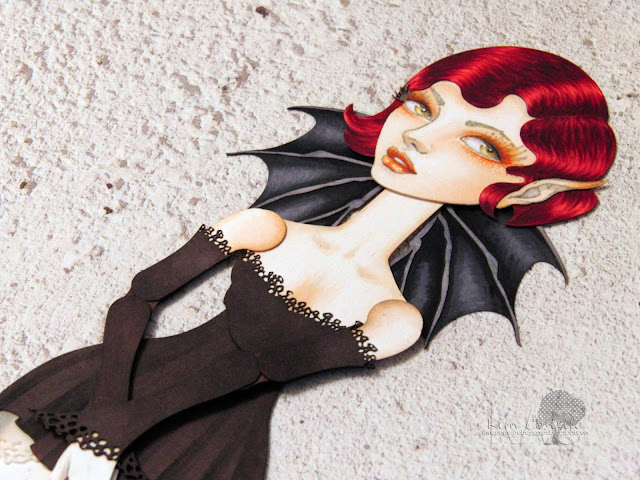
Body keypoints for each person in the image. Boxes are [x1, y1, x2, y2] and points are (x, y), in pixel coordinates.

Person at [0, 46, 615, 480]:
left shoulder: (392, 316)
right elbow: (139, 297)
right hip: (109, 382)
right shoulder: (266, 229)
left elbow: (260, 373)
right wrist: (107, 412)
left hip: (204, 443)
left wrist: (125, 428)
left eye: (479, 143)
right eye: (423, 108)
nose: (417, 138)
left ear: (529, 188)